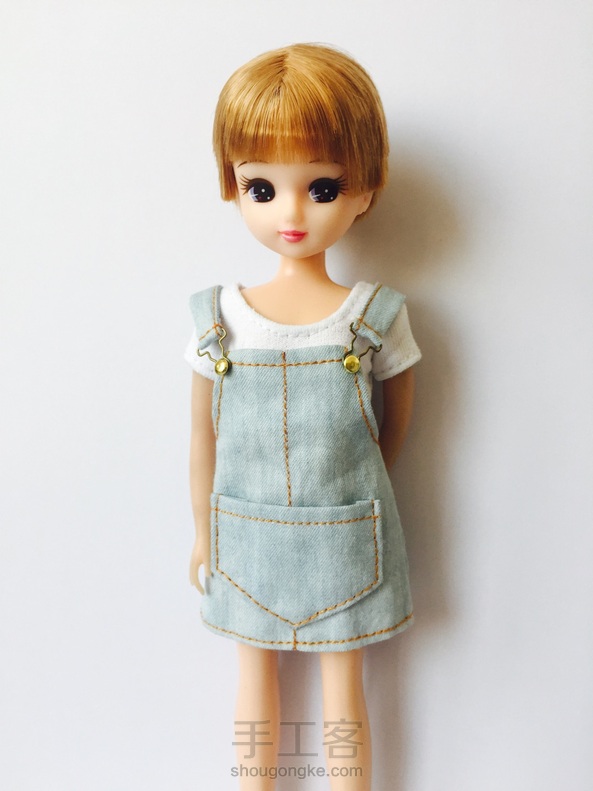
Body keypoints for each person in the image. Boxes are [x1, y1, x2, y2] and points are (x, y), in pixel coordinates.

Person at [185, 43, 421, 791]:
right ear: (232, 186)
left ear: (365, 189)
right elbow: (202, 437)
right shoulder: (219, 318)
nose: (290, 213)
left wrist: (354, 487)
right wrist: (204, 533)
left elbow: (393, 429)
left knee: (343, 688)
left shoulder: (372, 316)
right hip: (243, 536)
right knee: (254, 684)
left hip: (346, 535)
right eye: (261, 187)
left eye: (322, 187)